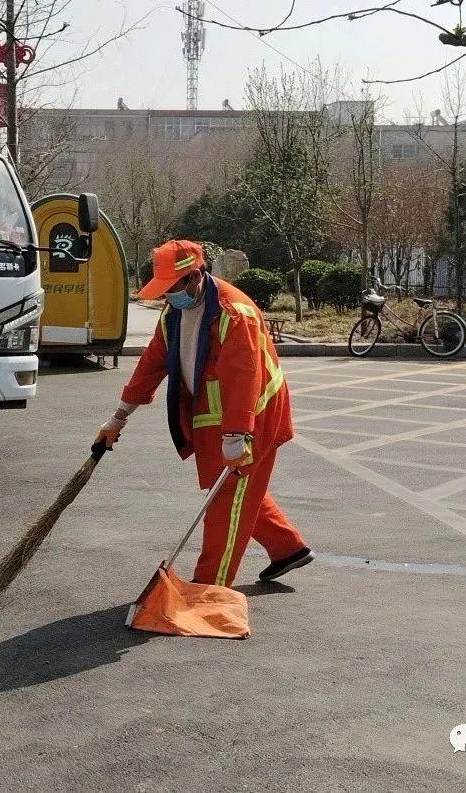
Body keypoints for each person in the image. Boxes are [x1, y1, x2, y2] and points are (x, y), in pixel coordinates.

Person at [96, 240, 313, 587]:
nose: (168, 297)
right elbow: (152, 363)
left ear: (195, 276)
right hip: (214, 416)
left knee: (227, 498)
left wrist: (237, 434)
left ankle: (208, 588)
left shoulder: (233, 313)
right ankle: (287, 548)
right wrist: (119, 416)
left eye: (172, 288)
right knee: (231, 488)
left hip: (254, 415)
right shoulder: (175, 314)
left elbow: (245, 377)